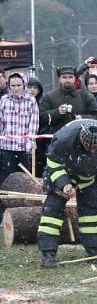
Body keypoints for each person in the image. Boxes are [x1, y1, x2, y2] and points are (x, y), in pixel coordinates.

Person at [38, 120, 97, 268]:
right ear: (81, 139)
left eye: (95, 147)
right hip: (63, 173)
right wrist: (64, 184)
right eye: (88, 146)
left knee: (92, 215)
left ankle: (93, 252)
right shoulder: (64, 139)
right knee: (52, 213)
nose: (92, 150)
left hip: (90, 178)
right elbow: (53, 164)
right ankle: (48, 254)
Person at [0, 73, 39, 206]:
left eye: (19, 85)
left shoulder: (30, 100)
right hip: (7, 147)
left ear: (24, 85)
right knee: (5, 180)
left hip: (24, 148)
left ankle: (22, 207)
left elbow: (33, 123)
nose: (16, 88)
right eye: (13, 85)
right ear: (9, 86)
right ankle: (4, 210)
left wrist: (30, 142)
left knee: (24, 180)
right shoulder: (4, 100)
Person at [39, 66, 97, 134]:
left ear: (75, 78)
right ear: (59, 79)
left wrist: (82, 118)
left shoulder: (85, 96)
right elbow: (40, 117)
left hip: (81, 138)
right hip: (57, 139)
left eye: (70, 77)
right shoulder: (49, 97)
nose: (67, 80)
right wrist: (57, 112)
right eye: (64, 77)